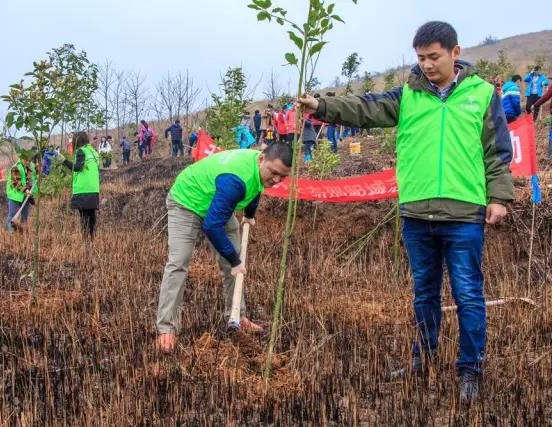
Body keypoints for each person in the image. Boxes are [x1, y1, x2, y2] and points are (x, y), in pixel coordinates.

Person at [299, 21, 514, 403]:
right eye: (421, 58)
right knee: (423, 293)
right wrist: (322, 106)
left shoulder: (482, 94)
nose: (427, 65)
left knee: (467, 293)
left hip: (464, 214)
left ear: (455, 52)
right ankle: (424, 358)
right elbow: (365, 108)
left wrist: (499, 197)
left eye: (434, 57)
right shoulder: (408, 95)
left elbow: (496, 151)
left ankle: (470, 369)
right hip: (416, 213)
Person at [156, 143, 293, 353]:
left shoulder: (259, 169)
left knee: (234, 255)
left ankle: (237, 314)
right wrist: (235, 261)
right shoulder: (236, 181)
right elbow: (211, 225)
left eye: (282, 177)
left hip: (214, 200)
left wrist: (249, 214)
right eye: (274, 173)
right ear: (261, 159)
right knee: (179, 262)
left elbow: (256, 187)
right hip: (187, 200)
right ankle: (167, 327)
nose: (276, 180)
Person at [61, 131, 101, 239]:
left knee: (84, 217)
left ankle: (85, 240)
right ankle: (92, 238)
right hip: (94, 188)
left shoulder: (81, 151)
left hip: (83, 189)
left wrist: (64, 161)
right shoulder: (93, 151)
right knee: (91, 215)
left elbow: (78, 167)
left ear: (76, 141)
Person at [6, 154, 37, 233]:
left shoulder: (28, 168)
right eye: (26, 160)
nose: (28, 162)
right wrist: (26, 190)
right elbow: (16, 183)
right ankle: (11, 233)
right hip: (14, 196)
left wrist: (30, 190)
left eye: (29, 161)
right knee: (12, 215)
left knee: (24, 215)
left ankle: (23, 232)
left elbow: (30, 180)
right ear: (22, 159)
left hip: (24, 196)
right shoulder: (16, 167)